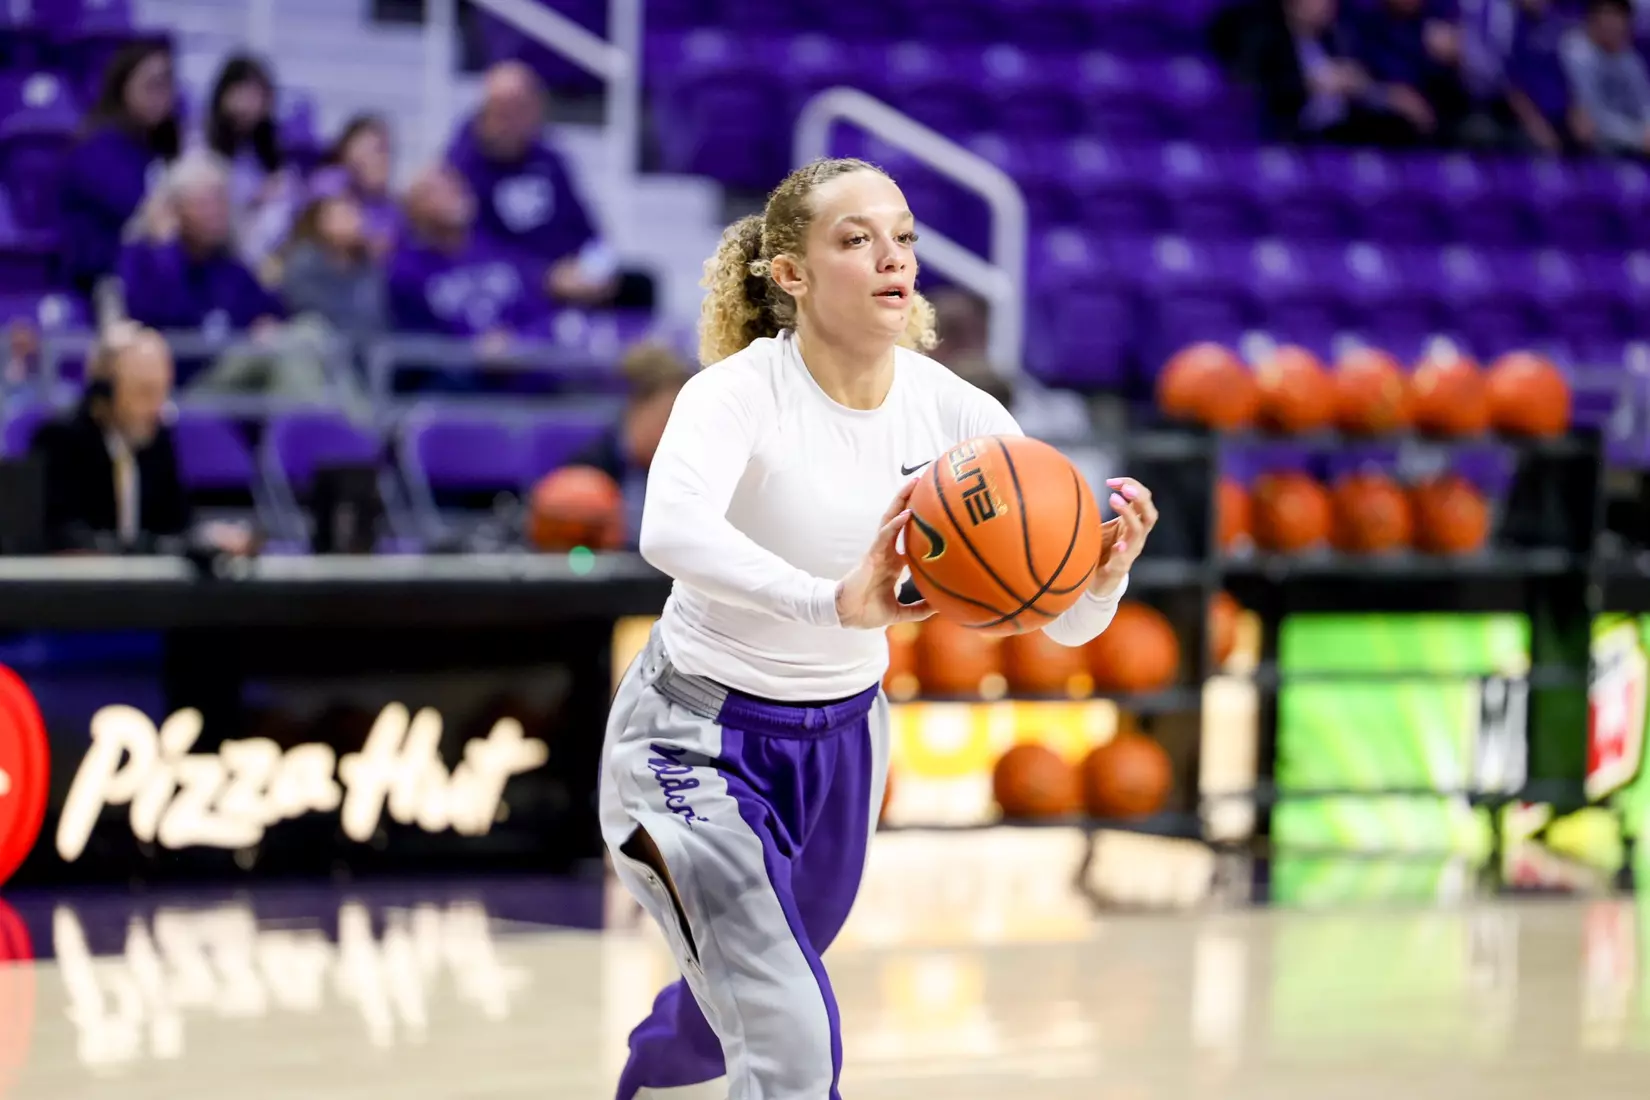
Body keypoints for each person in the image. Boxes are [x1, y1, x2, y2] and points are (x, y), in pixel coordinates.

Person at [599, 157, 1157, 1100]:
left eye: (903, 237)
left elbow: (1058, 626)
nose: (892, 257)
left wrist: (1101, 578)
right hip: (690, 742)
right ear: (793, 275)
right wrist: (829, 601)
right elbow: (669, 530)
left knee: (721, 1017)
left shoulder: (958, 413)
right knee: (791, 1032)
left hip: (845, 739)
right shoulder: (736, 392)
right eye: (855, 239)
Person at [59, 41, 180, 296]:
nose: (162, 96)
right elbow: (136, 206)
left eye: (168, 85)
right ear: (123, 85)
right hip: (99, 280)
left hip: (145, 275)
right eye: (152, 85)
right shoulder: (97, 146)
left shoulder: (158, 145)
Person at [1561, 0, 1650, 157]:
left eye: (1619, 16)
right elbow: (1591, 114)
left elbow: (1644, 103)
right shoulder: (1577, 52)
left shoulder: (1628, 58)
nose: (1613, 23)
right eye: (1607, 14)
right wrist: (1638, 137)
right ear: (1592, 18)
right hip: (1596, 146)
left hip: (1633, 142)